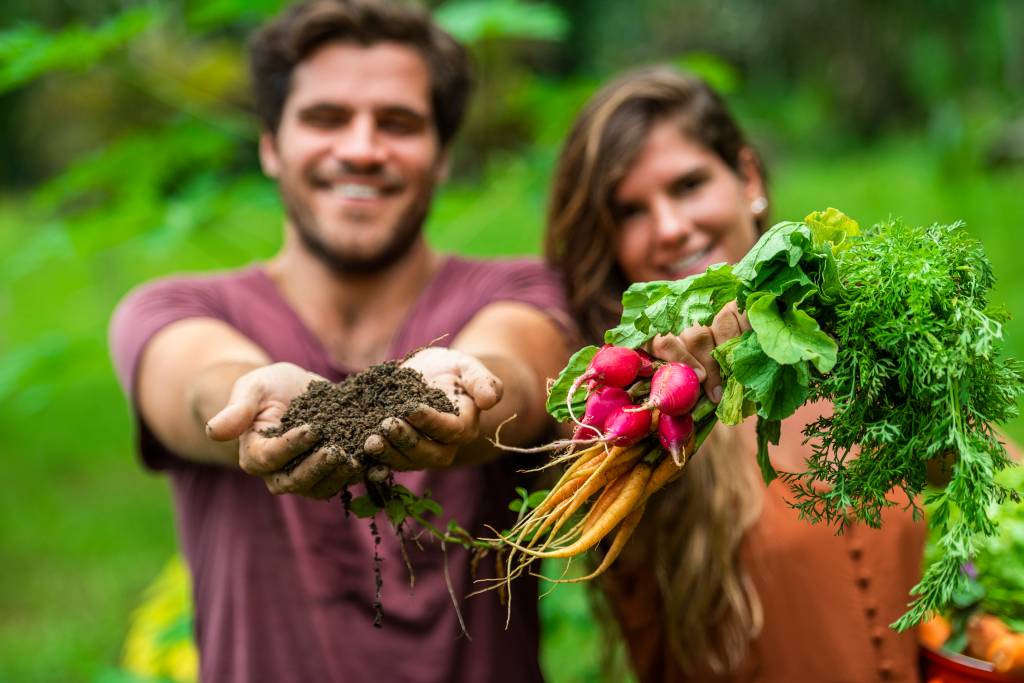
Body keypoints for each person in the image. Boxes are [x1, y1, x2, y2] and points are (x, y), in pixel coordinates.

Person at [108, 1, 571, 681]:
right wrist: (251, 402)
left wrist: (459, 391)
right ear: (271, 144)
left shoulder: (523, 291)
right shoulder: (178, 307)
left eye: (398, 123)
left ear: (442, 156)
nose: (360, 148)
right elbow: (200, 381)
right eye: (326, 119)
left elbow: (515, 375)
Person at [545, 67, 926, 683]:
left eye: (689, 185)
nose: (670, 227)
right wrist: (669, 411)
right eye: (630, 211)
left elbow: (999, 497)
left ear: (747, 177)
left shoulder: (856, 343)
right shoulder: (630, 411)